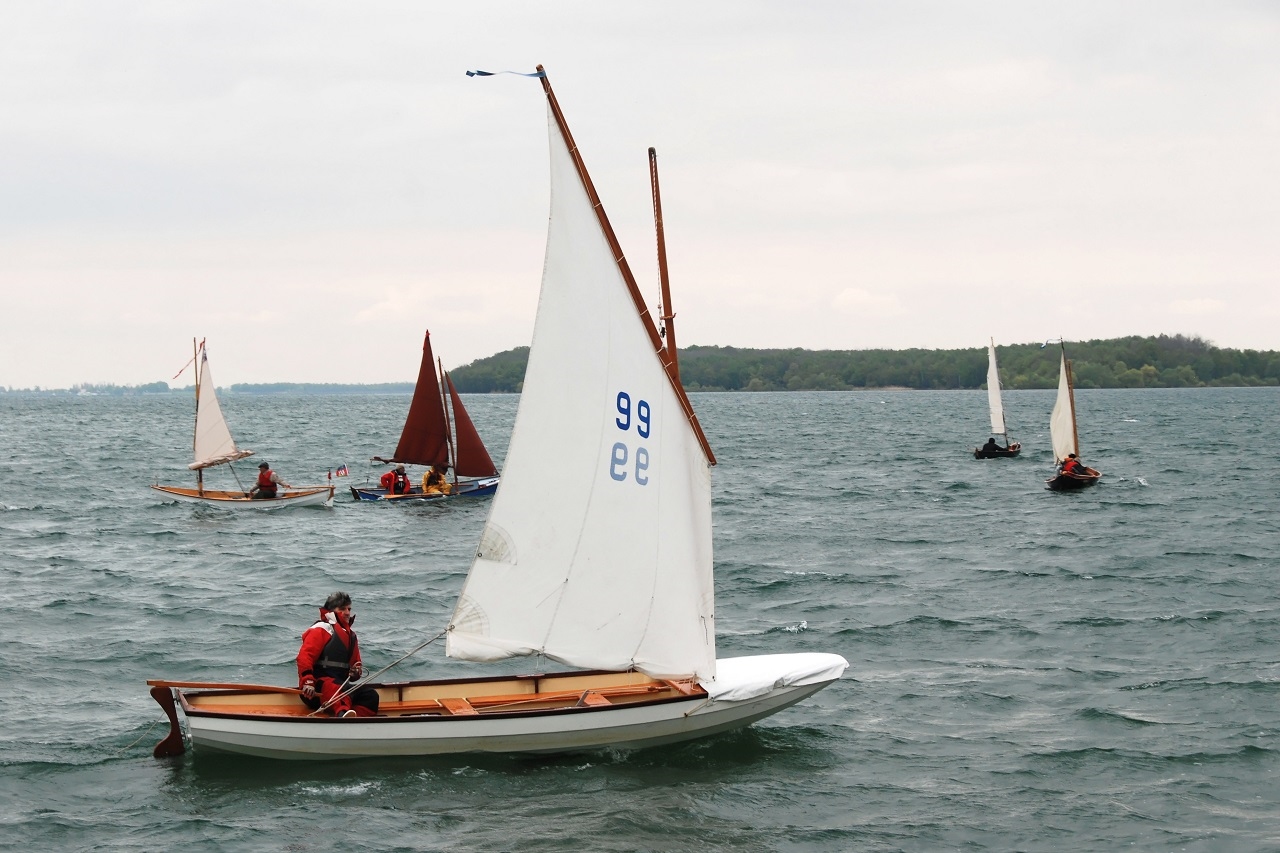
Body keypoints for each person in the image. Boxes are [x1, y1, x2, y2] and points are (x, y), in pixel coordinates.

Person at [296, 591, 379, 718]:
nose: (347, 612)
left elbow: (356, 664)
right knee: (334, 687)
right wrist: (307, 681)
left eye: (349, 609)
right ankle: (342, 715)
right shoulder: (321, 629)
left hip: (341, 686)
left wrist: (356, 672)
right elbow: (304, 657)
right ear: (331, 611)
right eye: (342, 609)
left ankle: (355, 718)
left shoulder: (351, 636)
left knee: (371, 695)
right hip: (316, 690)